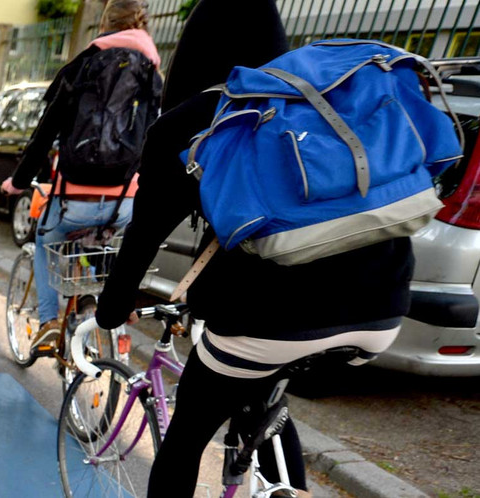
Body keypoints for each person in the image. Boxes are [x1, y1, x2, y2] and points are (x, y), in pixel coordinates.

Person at [93, 0, 411, 494]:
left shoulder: (197, 118)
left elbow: (144, 235)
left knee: (186, 438)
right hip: (385, 306)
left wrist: (111, 311)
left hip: (268, 316)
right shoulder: (323, 99)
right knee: (266, 402)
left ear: (193, 52)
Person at [0, 0, 161, 345]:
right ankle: (95, 307)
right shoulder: (151, 73)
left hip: (74, 201)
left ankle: (48, 321)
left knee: (45, 241)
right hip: (125, 203)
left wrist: (18, 182)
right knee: (101, 242)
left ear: (105, 25)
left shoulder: (82, 66)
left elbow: (44, 134)